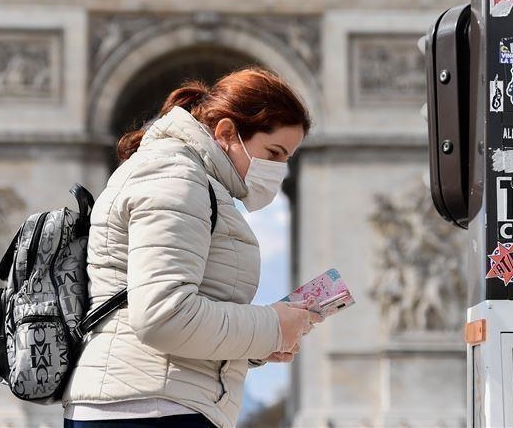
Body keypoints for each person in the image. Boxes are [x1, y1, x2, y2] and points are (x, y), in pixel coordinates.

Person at [62, 67, 322, 428]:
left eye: (286, 160)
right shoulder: (175, 178)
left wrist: (261, 343)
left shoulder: (189, 179)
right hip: (150, 410)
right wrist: (272, 325)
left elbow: (180, 320)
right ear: (227, 132)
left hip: (152, 403)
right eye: (273, 153)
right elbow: (163, 318)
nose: (278, 171)